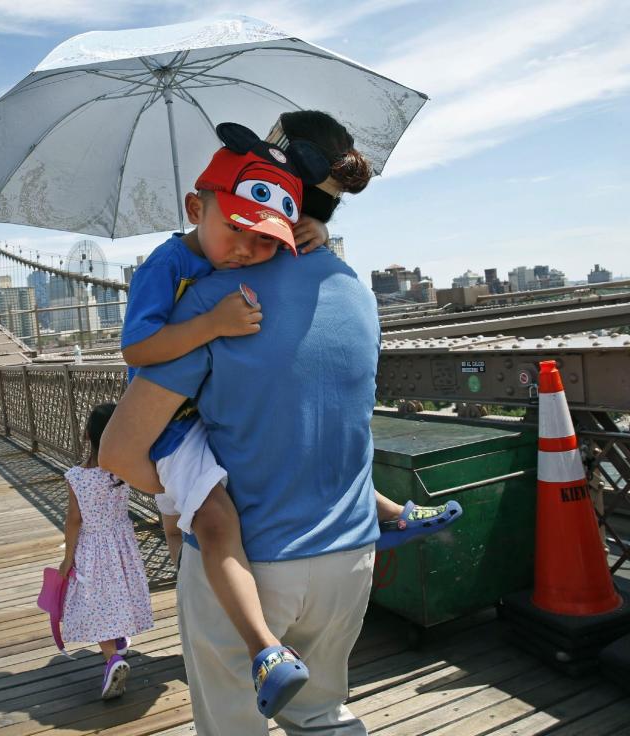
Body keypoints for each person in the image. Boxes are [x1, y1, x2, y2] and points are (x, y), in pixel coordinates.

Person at [98, 112, 381, 734]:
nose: (245, 247)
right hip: (352, 555)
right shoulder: (357, 290)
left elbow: (118, 455)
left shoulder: (217, 300)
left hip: (253, 564)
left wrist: (189, 497)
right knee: (325, 715)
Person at [118, 124, 318, 718]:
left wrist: (317, 234)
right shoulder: (166, 262)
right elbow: (138, 348)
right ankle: (266, 650)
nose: (247, 252)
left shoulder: (227, 254)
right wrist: (212, 323)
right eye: (236, 229)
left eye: (265, 242)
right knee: (215, 521)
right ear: (193, 208)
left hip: (210, 411)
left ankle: (383, 511)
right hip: (171, 425)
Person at [264, 110, 462, 551]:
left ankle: (386, 512)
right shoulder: (356, 292)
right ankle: (384, 512)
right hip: (341, 543)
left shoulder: (227, 280)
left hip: (264, 534)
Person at [58, 403, 153, 700]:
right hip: (122, 542)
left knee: (95, 600)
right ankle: (121, 639)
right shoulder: (123, 468)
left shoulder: (77, 476)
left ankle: (112, 657)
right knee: (118, 591)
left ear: (87, 435)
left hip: (92, 545)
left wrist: (67, 558)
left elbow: (74, 519)